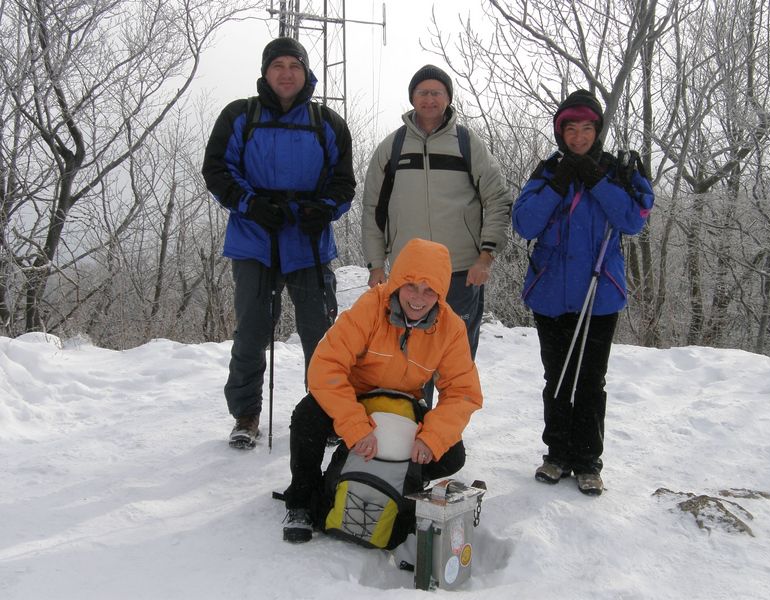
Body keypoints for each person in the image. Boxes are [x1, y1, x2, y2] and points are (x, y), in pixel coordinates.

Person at [202, 37, 356, 449]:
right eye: (278, 65)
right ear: (266, 72)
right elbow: (217, 169)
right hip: (255, 240)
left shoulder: (328, 123)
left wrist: (323, 208)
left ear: (306, 73)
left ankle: (322, 413)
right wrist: (250, 204)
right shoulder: (239, 115)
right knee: (251, 332)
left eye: (295, 65)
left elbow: (343, 183)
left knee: (321, 336)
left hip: (308, 242)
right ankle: (246, 414)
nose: (286, 73)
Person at [282, 238, 483, 543]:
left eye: (430, 290)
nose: (418, 298)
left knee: (451, 454)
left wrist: (431, 438)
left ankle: (398, 483)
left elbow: (463, 392)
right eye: (411, 286)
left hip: (403, 406)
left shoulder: (450, 328)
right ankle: (302, 499)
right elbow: (326, 365)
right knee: (308, 415)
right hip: (358, 398)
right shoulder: (371, 307)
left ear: (441, 294)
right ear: (397, 284)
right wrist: (354, 426)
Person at [512, 89, 654, 495]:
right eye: (570, 129)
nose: (578, 137)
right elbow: (524, 224)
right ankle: (557, 454)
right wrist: (559, 184)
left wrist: (597, 181)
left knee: (591, 379)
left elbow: (632, 219)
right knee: (557, 376)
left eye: (586, 129)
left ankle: (588, 460)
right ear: (561, 132)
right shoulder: (546, 173)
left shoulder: (617, 171)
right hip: (551, 293)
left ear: (598, 130)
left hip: (599, 294)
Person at [360, 65, 512, 387]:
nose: (429, 99)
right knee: (410, 361)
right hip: (408, 277)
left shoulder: (468, 144)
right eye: (423, 92)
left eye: (437, 92)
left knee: (457, 359)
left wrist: (486, 256)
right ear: (413, 98)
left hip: (459, 273)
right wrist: (376, 265)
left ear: (448, 98)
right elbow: (374, 209)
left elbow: (497, 199)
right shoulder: (393, 147)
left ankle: (447, 433)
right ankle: (413, 428)